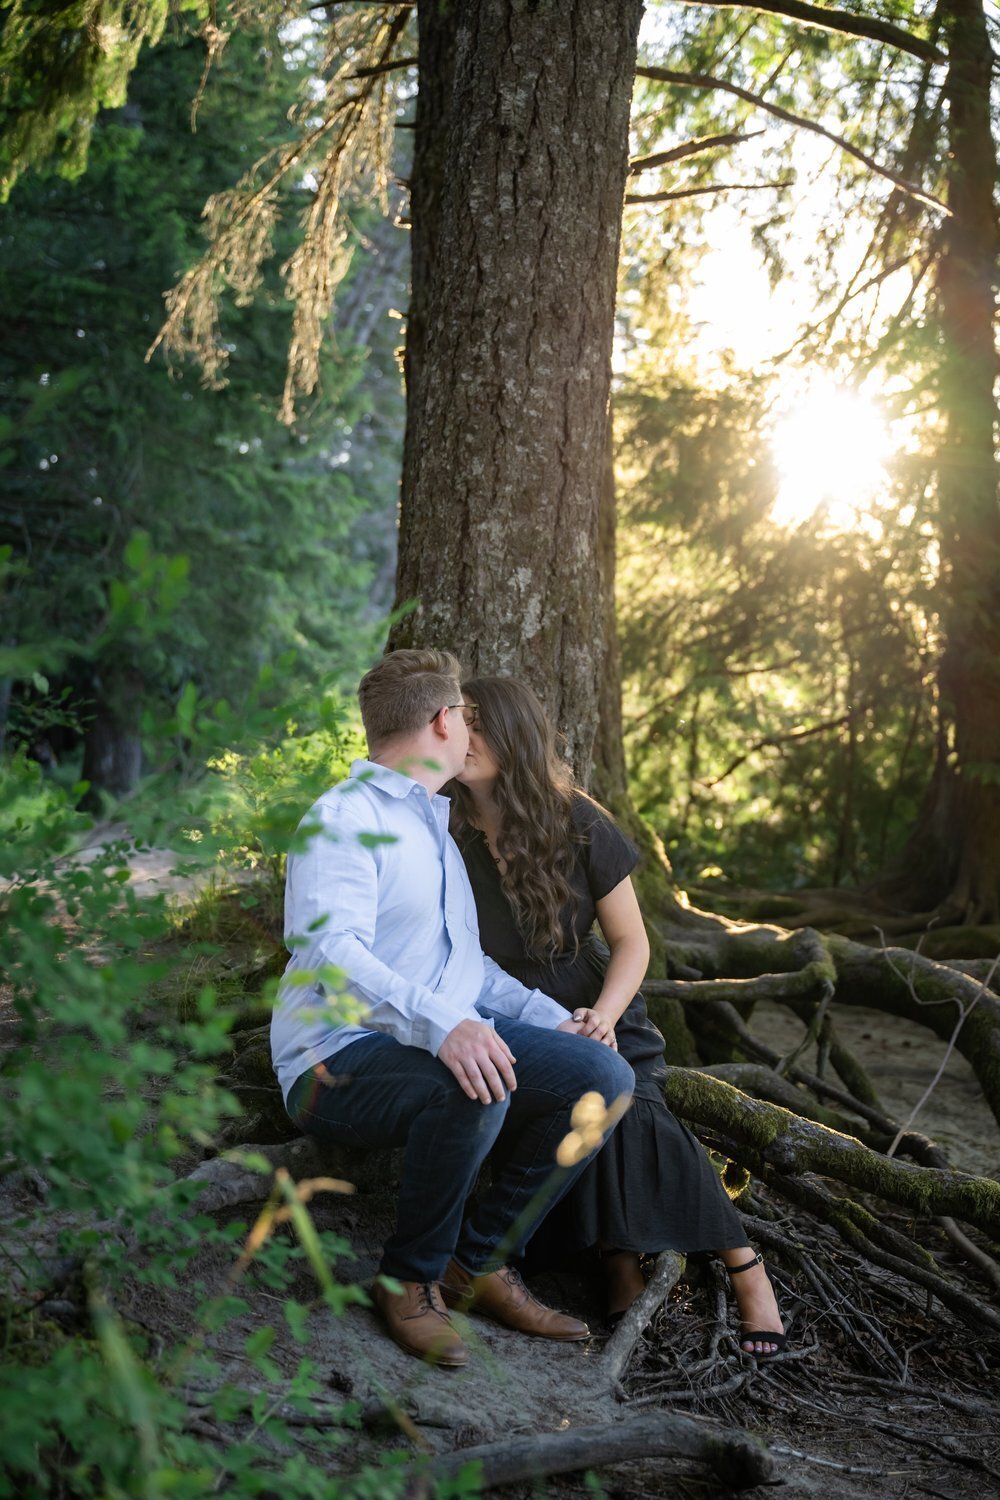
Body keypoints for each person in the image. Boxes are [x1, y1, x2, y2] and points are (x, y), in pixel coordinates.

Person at [270, 649, 635, 1369]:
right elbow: (326, 955)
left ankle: (480, 1261)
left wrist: (547, 1017)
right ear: (445, 721)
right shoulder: (341, 819)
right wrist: (444, 1027)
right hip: (331, 1058)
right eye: (465, 718)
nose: (471, 731)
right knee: (471, 1080)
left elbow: (467, 971)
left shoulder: (436, 830)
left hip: (428, 1040)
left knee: (602, 1081)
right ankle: (408, 1279)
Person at [449, 675, 786, 1357]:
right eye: (459, 721)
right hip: (505, 1008)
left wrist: (601, 1017)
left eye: (480, 723)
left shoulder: (577, 819)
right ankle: (620, 1259)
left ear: (515, 736)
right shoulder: (442, 827)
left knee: (632, 1104)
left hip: (601, 1000)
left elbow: (634, 943)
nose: (464, 736)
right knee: (592, 1106)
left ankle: (741, 1266)